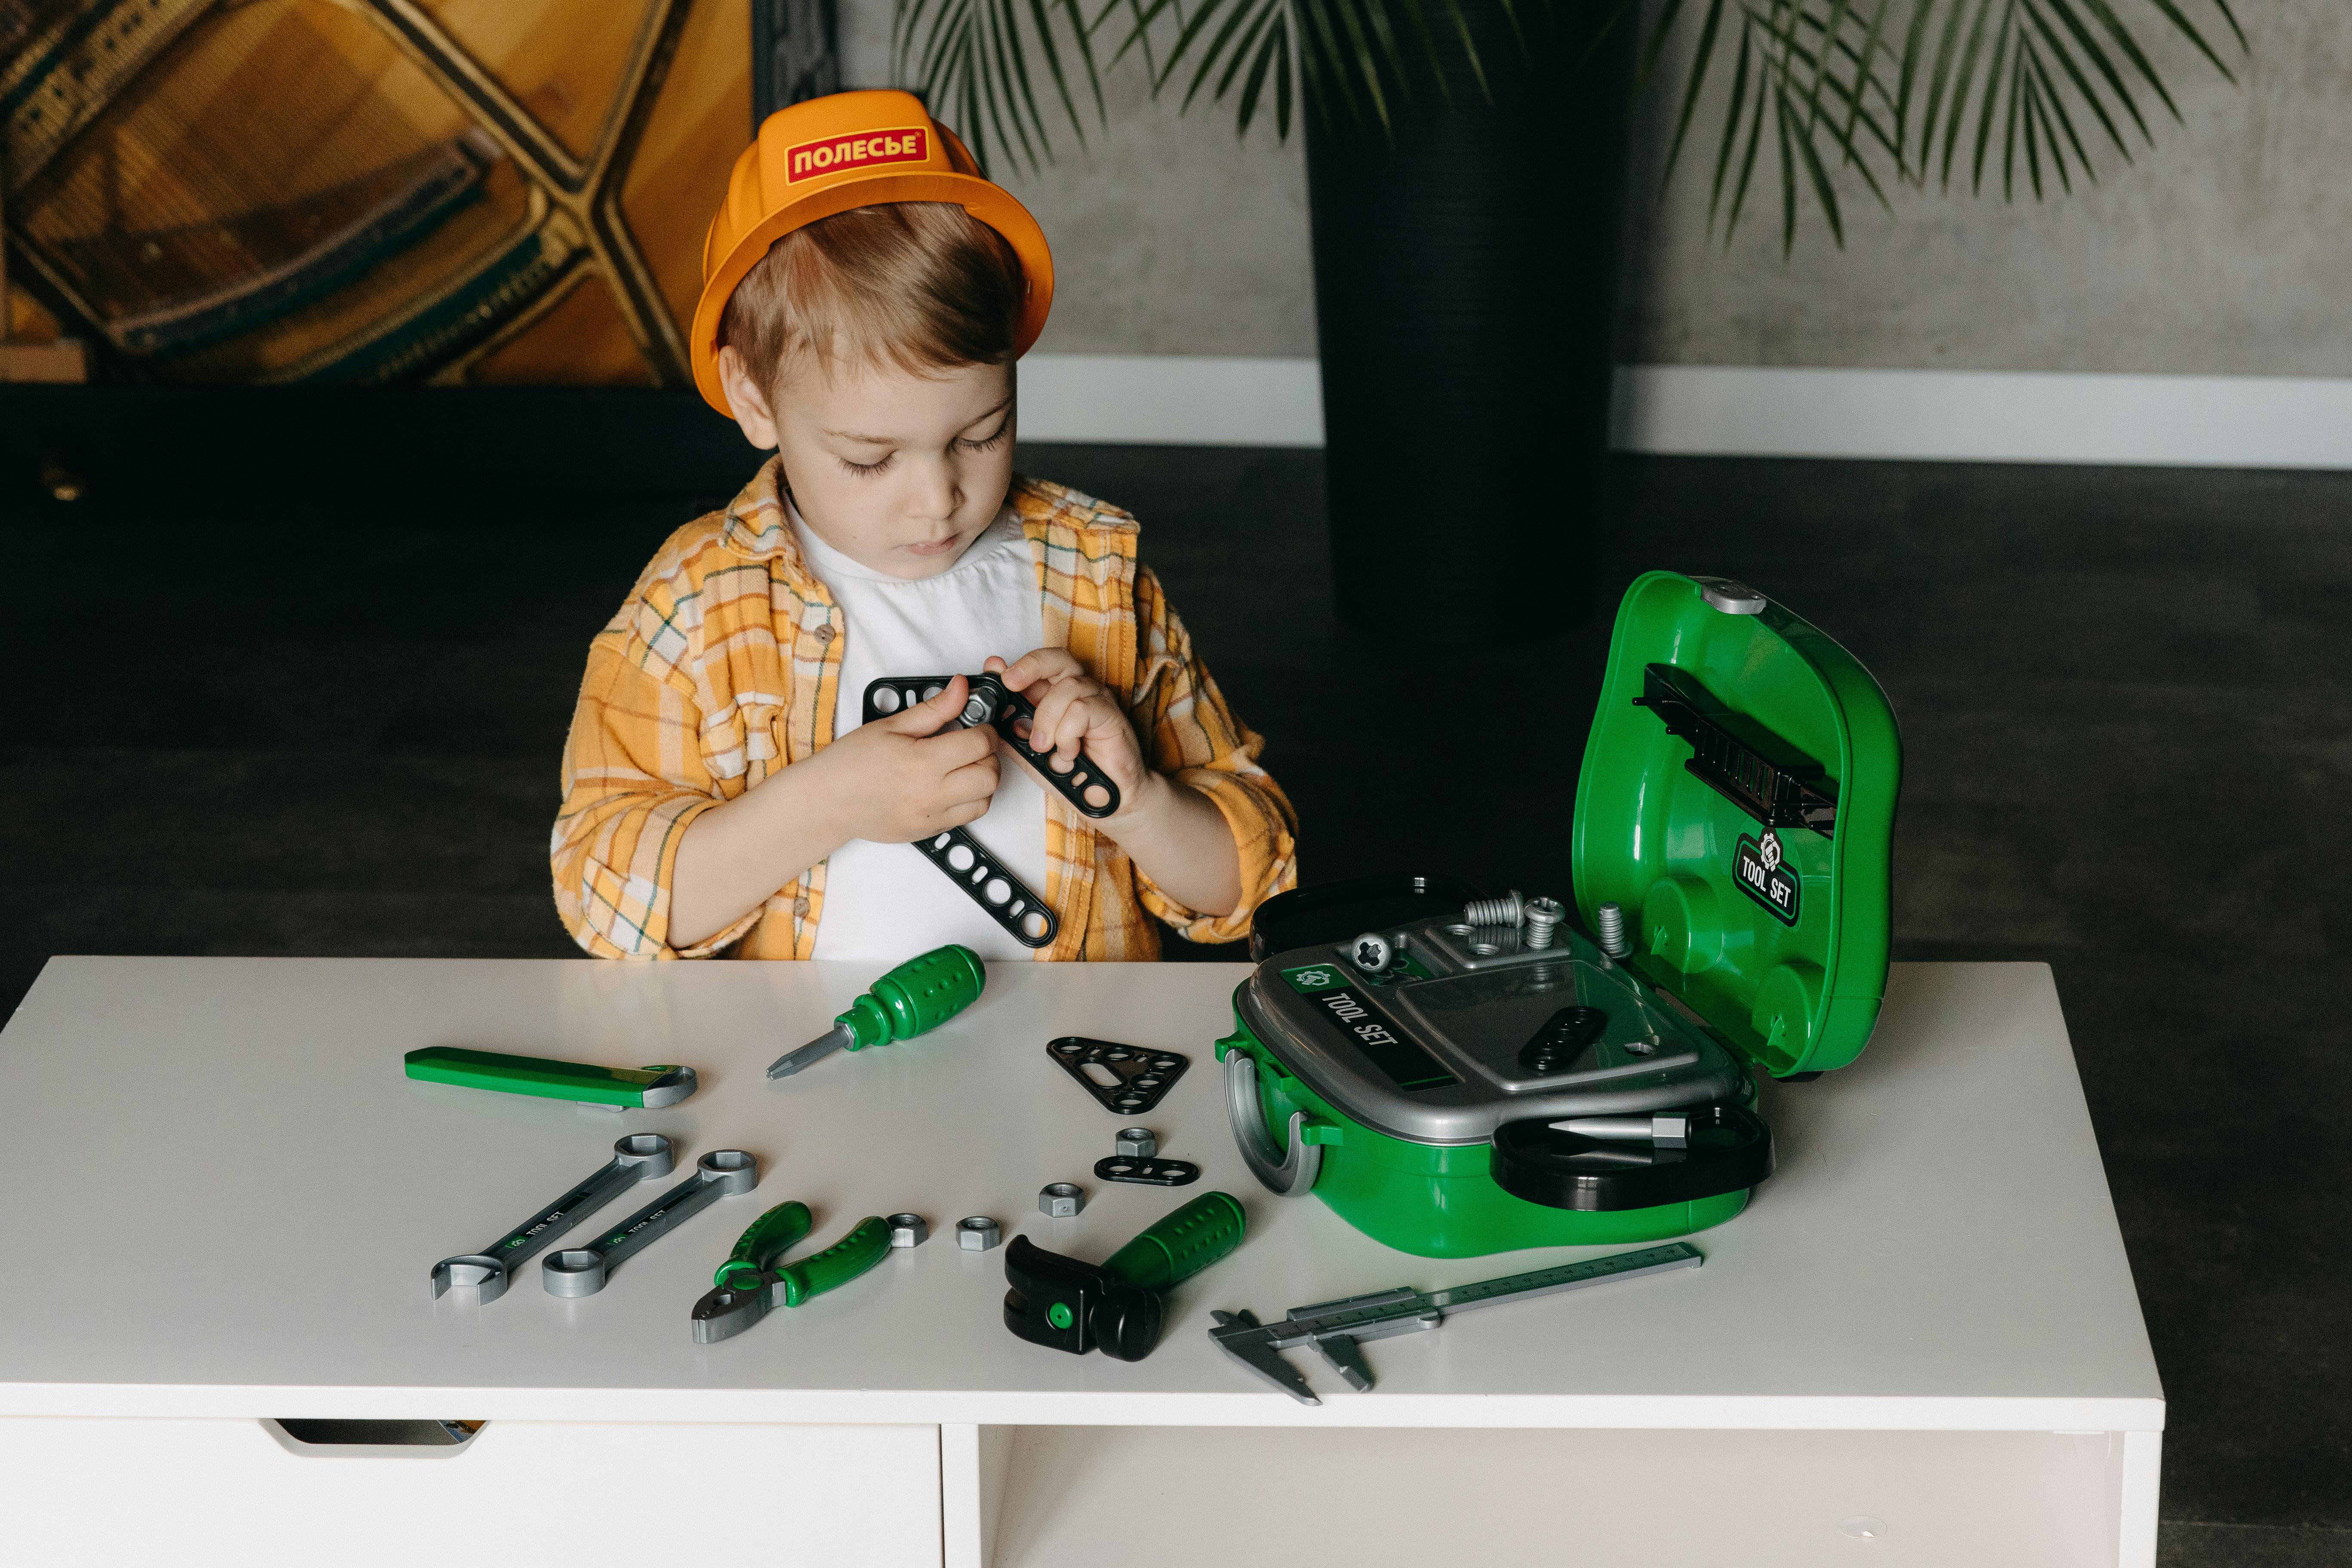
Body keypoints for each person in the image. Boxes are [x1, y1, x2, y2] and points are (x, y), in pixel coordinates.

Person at [551, 89, 1295, 962]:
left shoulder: (1100, 576)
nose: (938, 498)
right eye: (870, 460)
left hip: (1061, 1079)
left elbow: (1253, 884)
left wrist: (1139, 801)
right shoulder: (699, 605)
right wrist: (821, 803)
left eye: (980, 435)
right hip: (809, 1084)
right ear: (754, 398)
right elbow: (602, 894)